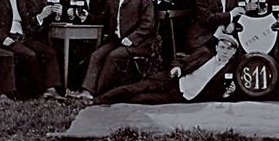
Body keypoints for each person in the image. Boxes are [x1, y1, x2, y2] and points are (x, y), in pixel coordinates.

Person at [75, 0, 156, 100]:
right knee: (96, 55)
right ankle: (87, 91)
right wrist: (86, 17)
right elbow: (103, 20)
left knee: (113, 56)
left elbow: (148, 24)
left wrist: (132, 38)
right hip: (117, 41)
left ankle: (100, 94)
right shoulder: (113, 0)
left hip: (138, 44)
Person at [95, 32, 241, 104]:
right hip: (172, 80)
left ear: (233, 52)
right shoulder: (204, 54)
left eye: (229, 49)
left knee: (142, 99)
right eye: (222, 47)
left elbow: (218, 94)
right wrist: (176, 69)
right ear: (216, 47)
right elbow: (179, 60)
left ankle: (115, 103)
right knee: (135, 88)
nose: (225, 51)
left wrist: (227, 94)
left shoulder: (231, 70)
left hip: (182, 96)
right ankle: (99, 100)